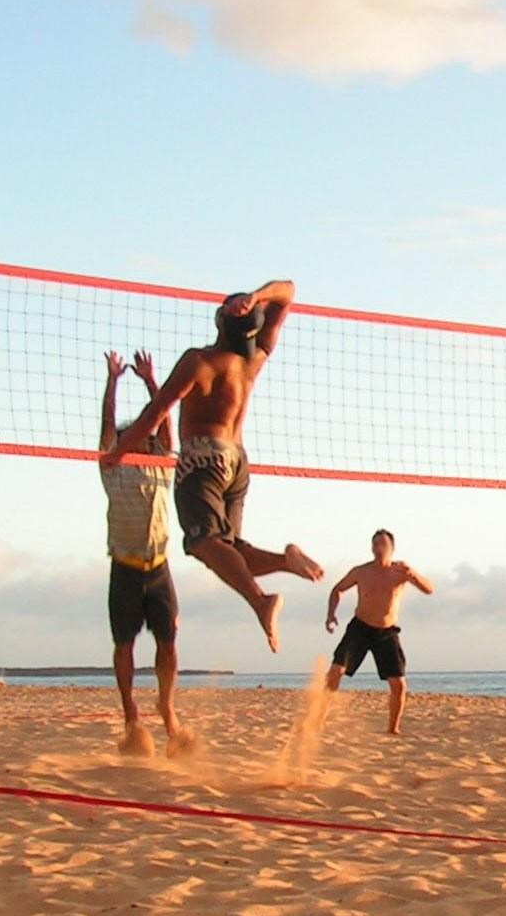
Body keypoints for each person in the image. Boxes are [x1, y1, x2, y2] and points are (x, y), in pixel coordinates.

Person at [101, 280, 323, 653]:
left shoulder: (199, 361)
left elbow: (155, 415)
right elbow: (289, 291)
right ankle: (285, 561)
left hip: (203, 458)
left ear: (220, 321)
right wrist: (258, 298)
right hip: (237, 461)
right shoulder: (254, 358)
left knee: (203, 543)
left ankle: (261, 601)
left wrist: (117, 452)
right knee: (229, 552)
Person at [98, 349, 193, 756]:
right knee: (124, 646)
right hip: (124, 567)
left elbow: (165, 425)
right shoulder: (112, 464)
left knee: (168, 643)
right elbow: (106, 427)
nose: (141, 438)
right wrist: (113, 381)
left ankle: (166, 707)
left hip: (158, 568)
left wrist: (153, 381)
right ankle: (130, 714)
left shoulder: (161, 464)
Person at [324, 529, 434, 735]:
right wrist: (331, 615)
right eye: (375, 544)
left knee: (399, 684)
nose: (379, 547)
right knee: (335, 671)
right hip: (360, 629)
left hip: (386, 633)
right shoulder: (361, 571)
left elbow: (429, 589)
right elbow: (337, 589)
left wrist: (413, 575)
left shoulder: (401, 572)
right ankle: (318, 717)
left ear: (392, 548)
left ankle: (393, 729)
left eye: (383, 543)